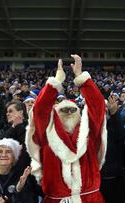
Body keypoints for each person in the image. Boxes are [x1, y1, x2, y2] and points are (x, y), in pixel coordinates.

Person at [25, 55, 107, 202]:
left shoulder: (89, 133)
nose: (69, 113)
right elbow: (40, 110)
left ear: (80, 115)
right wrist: (55, 82)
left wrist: (81, 77)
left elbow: (97, 105)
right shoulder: (46, 134)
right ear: (56, 114)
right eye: (64, 110)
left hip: (90, 199)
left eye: (72, 110)